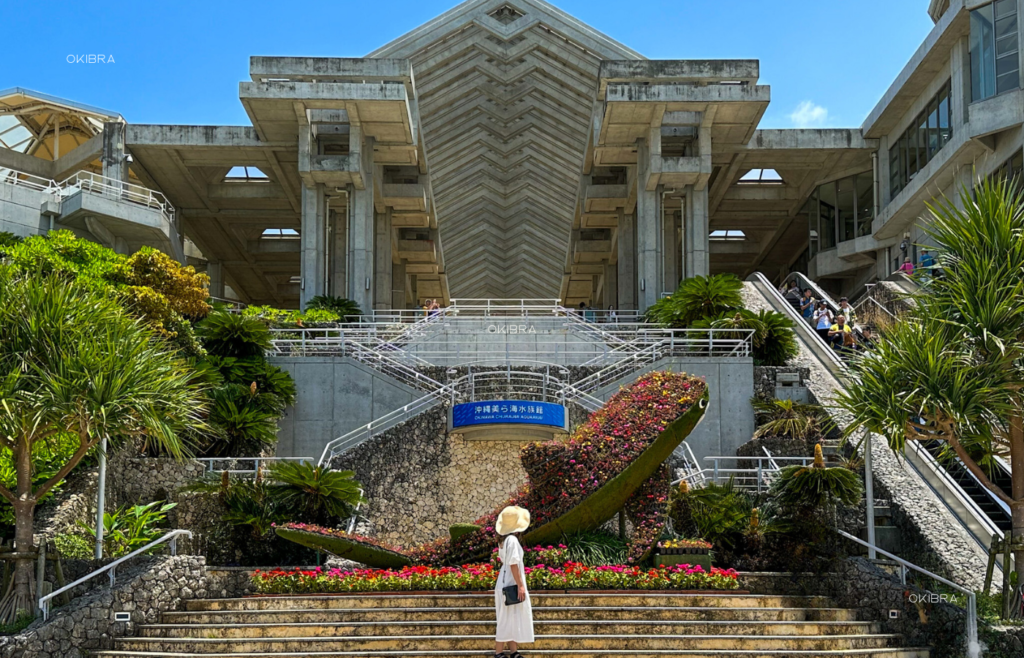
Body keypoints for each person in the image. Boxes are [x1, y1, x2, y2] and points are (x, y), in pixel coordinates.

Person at [494, 506, 534, 658]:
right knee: (506, 617)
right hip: (510, 582)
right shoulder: (512, 540)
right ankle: (499, 652)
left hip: (504, 582)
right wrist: (521, 585)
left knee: (508, 616)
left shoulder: (504, 541)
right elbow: (513, 563)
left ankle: (513, 651)